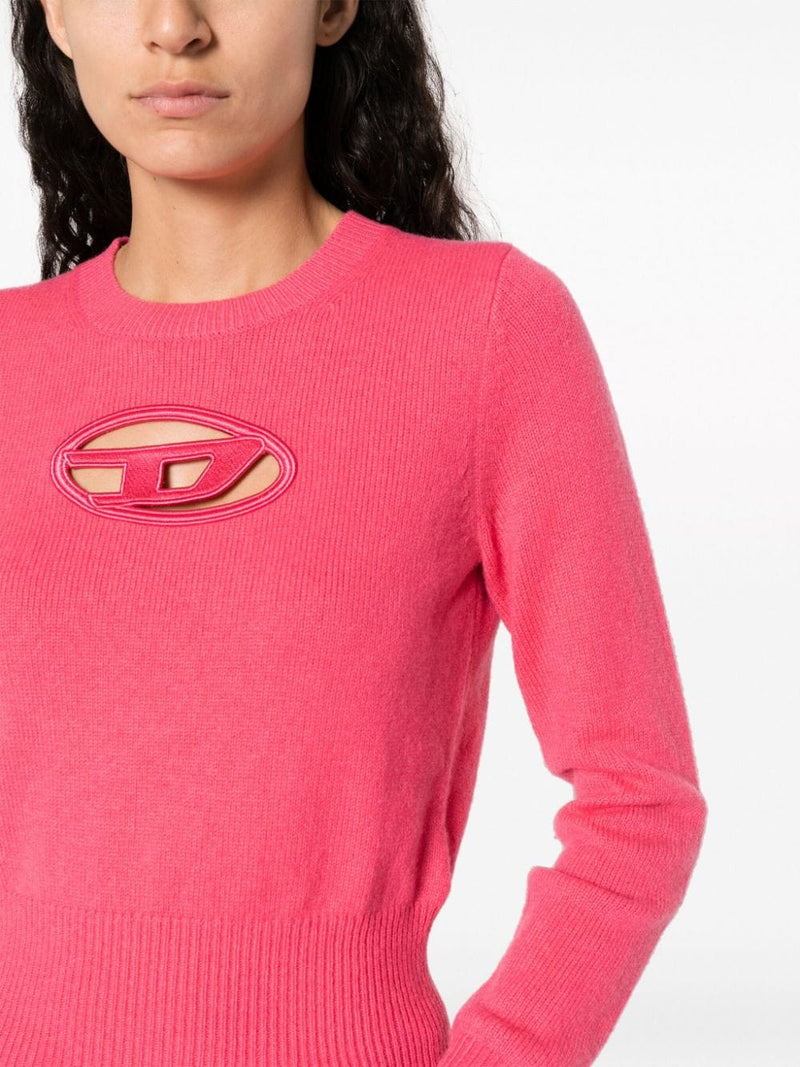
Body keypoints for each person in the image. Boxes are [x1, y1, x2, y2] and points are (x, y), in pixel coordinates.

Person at [0, 1, 707, 1065]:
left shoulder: (486, 332)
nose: (173, 26)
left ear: (332, 6)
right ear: (53, 15)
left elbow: (641, 800)